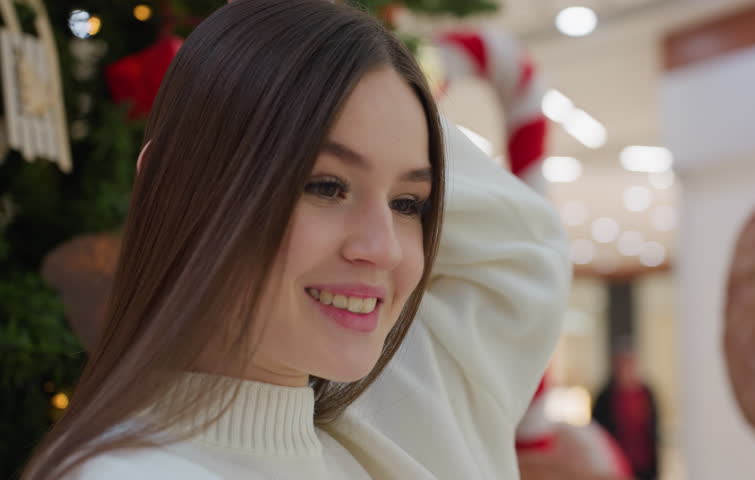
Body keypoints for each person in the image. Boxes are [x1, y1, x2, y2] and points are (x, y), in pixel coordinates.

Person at [23, 0, 571, 478]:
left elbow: (524, 251)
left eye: (409, 204)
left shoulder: (393, 438)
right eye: (325, 186)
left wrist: (317, 37)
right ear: (173, 181)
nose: (383, 248)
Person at [592, 344, 660, 480]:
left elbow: (653, 429)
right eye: (622, 365)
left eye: (629, 364)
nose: (626, 369)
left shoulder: (646, 393)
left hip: (643, 463)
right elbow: (597, 432)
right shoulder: (605, 396)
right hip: (617, 461)